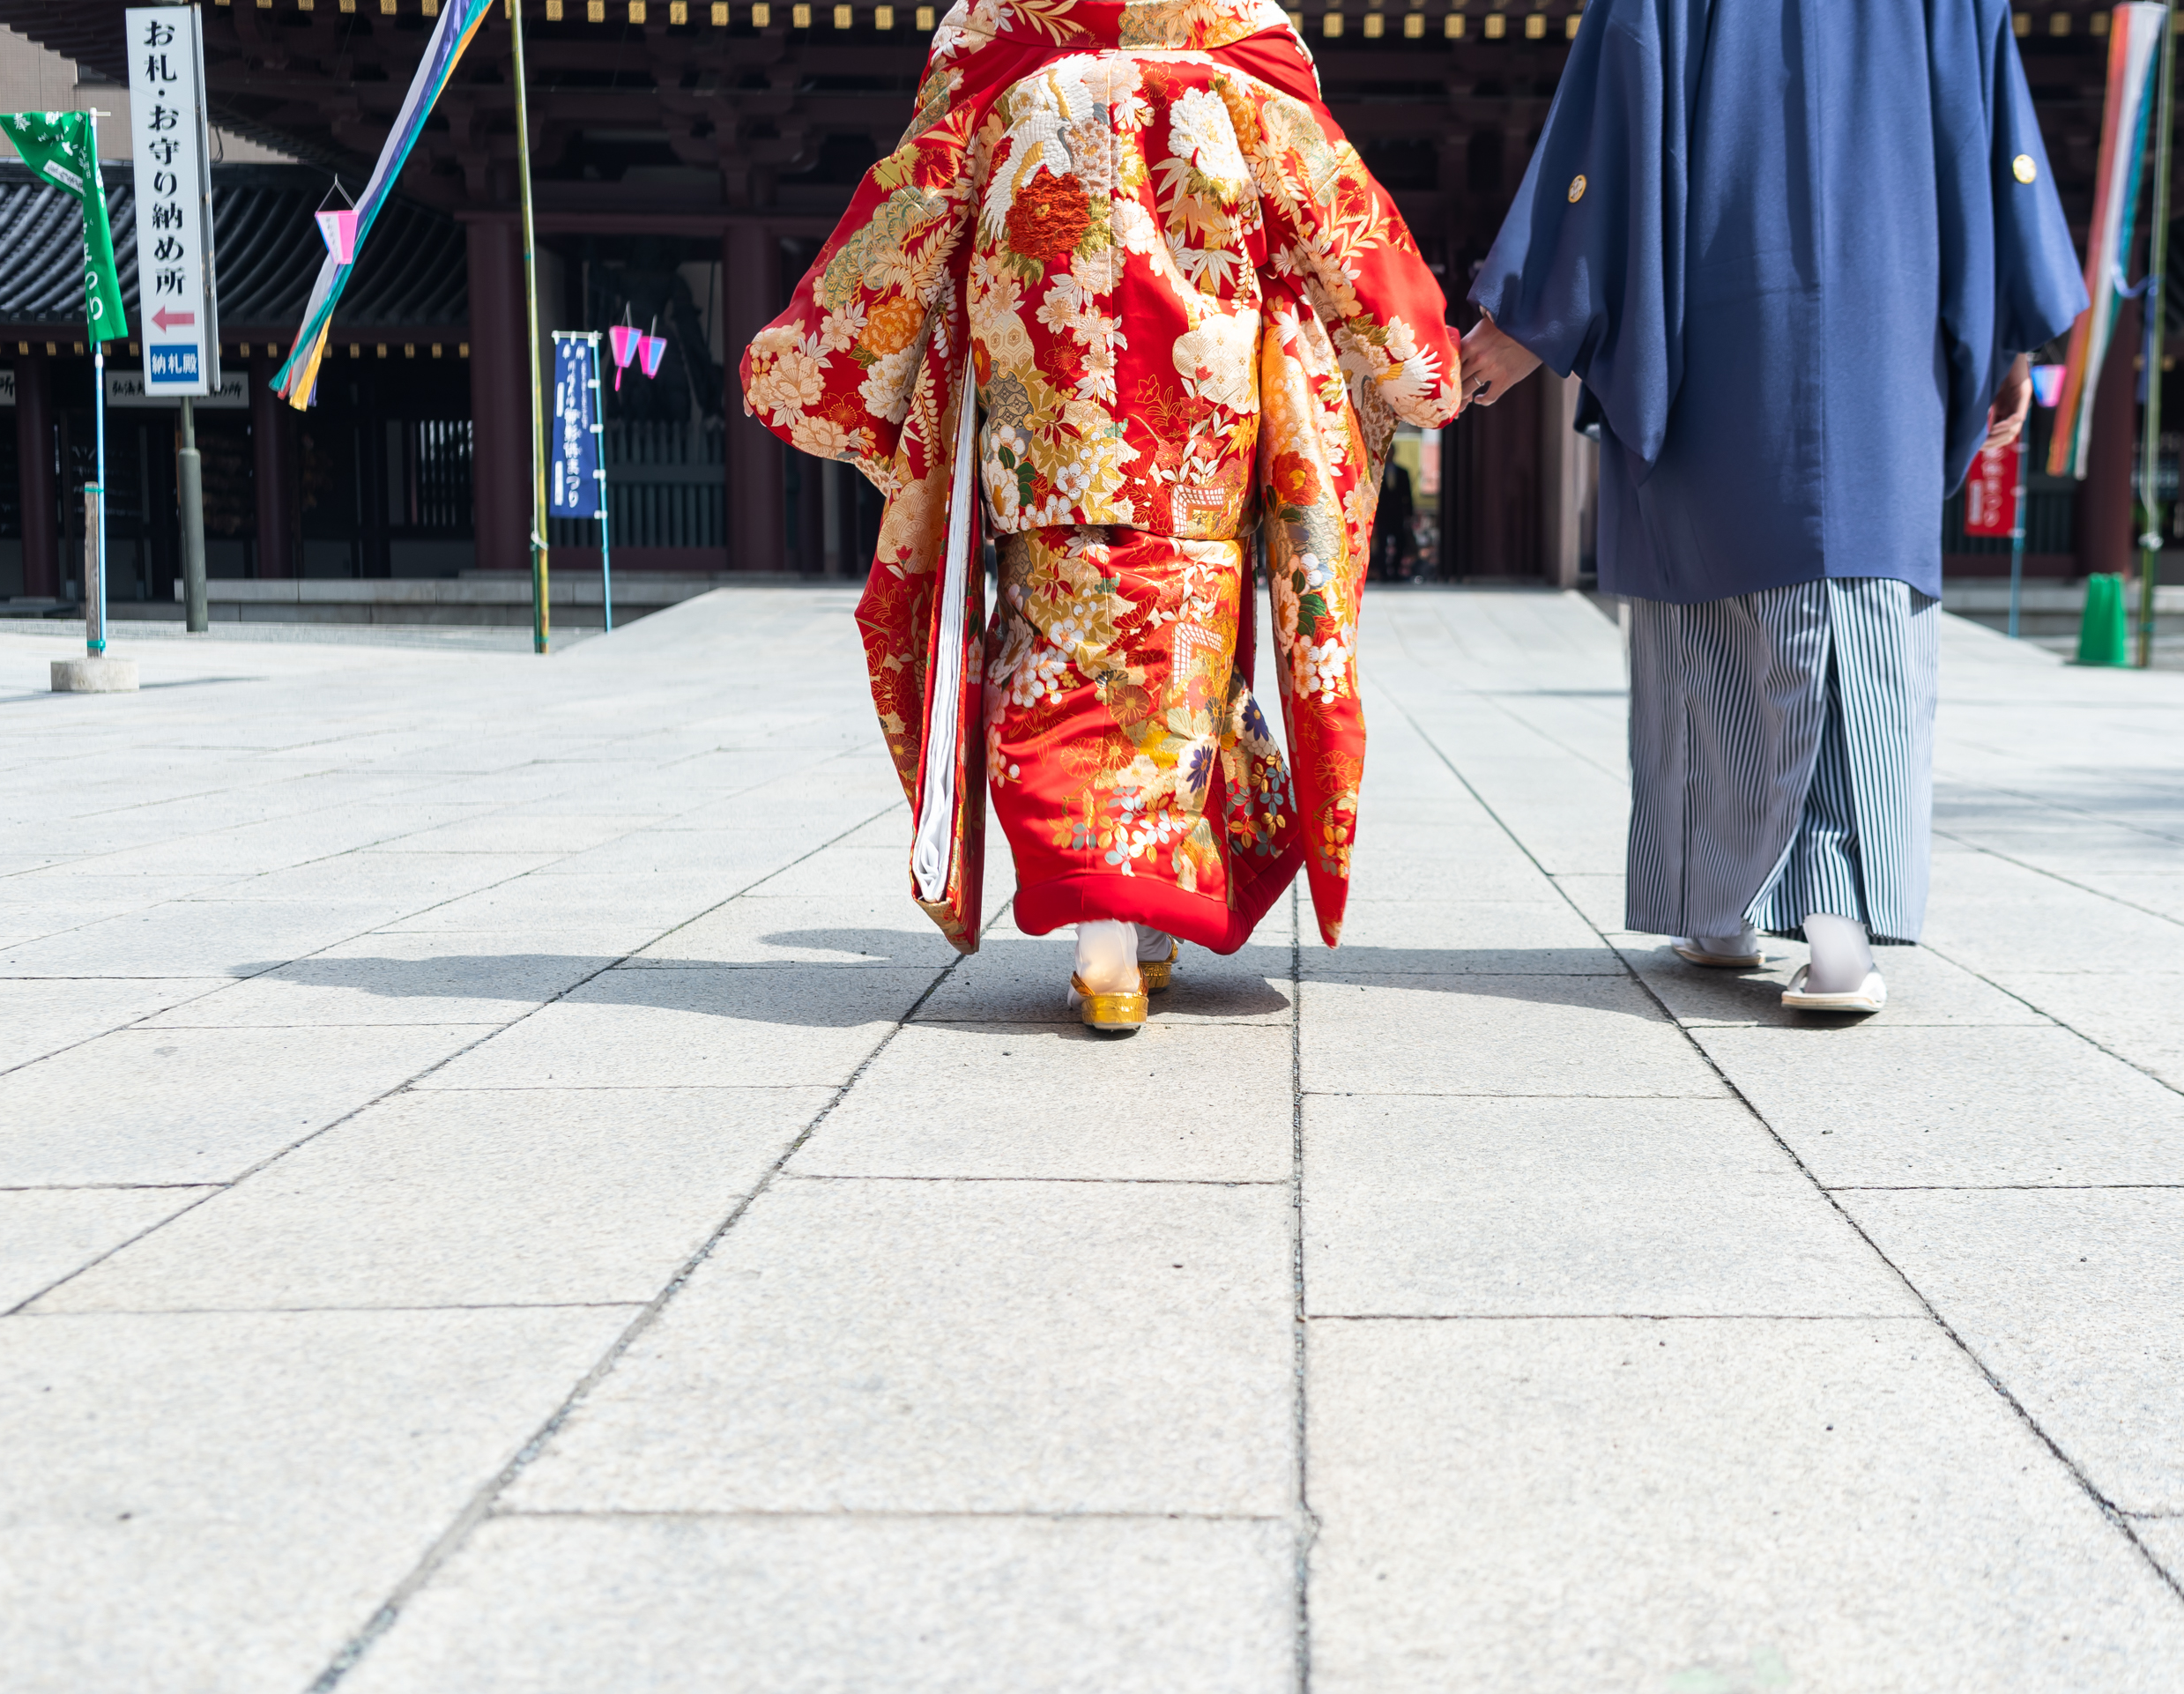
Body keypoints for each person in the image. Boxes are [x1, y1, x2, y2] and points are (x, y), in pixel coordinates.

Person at [742, 0, 1460, 1030]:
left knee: (1059, 668)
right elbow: (1342, 220)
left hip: (1049, 429)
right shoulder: (1244, 55)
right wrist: (1422, 357)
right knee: (1183, 662)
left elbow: (909, 208)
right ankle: (1130, 930)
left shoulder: (998, 53)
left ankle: (1114, 939)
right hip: (1196, 434)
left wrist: (818, 358)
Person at [1459, 0, 2083, 1014]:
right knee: (1854, 609)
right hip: (1889, 329)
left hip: (1719, 316)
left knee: (1710, 605)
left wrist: (1536, 317)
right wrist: (2010, 332)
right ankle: (1834, 930)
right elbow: (1988, 130)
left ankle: (1735, 909)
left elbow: (1617, 114)